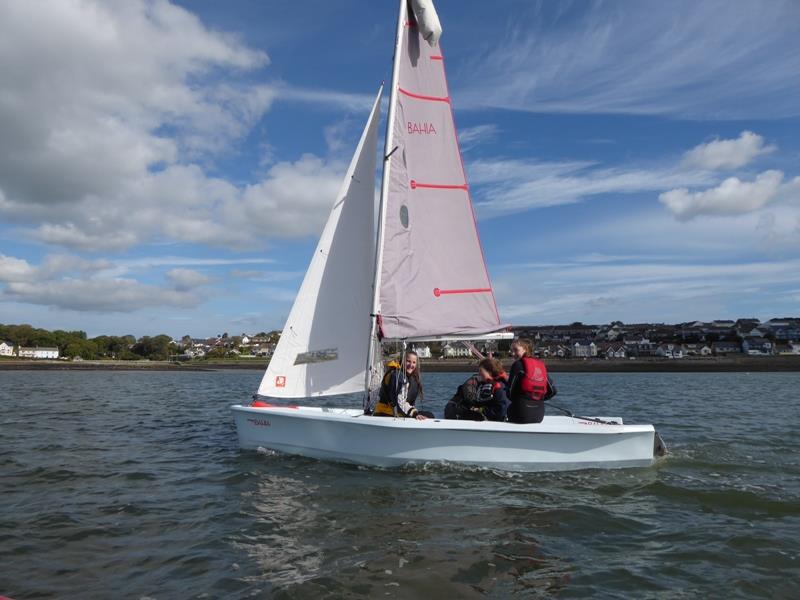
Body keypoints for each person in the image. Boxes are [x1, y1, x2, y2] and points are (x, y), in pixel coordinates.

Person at [506, 339, 556, 424]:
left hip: (520, 413)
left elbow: (509, 393)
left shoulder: (518, 365)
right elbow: (553, 391)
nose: (513, 353)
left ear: (526, 349)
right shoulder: (540, 365)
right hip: (539, 414)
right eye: (512, 351)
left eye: (516, 350)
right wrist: (538, 399)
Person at [372, 350, 433, 419]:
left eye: (414, 362)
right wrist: (415, 414)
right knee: (430, 416)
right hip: (386, 413)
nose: (411, 365)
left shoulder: (411, 378)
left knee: (429, 415)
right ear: (403, 361)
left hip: (400, 412)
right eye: (408, 361)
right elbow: (399, 402)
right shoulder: (397, 376)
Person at [444, 357, 510, 422]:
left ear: (490, 372)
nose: (479, 374)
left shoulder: (500, 386)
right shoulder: (490, 384)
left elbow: (501, 410)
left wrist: (480, 411)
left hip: (498, 420)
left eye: (481, 371)